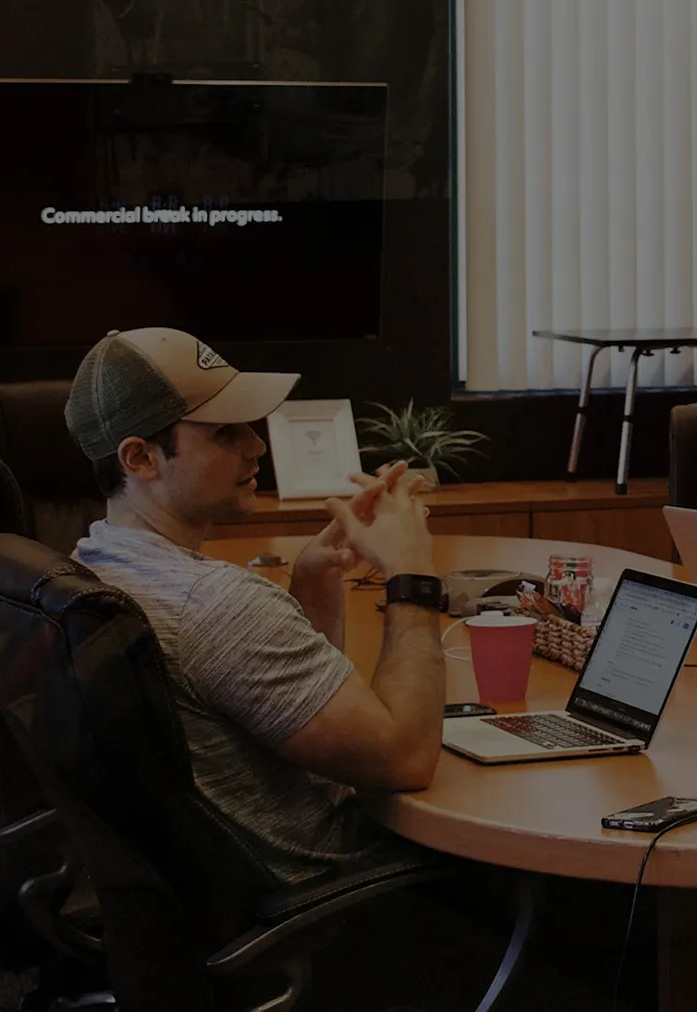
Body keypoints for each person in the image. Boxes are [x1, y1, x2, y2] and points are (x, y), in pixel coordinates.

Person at [64, 326, 449, 888]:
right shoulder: (214, 603)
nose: (257, 445)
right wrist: (412, 576)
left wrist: (314, 578)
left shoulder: (93, 559)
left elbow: (276, 703)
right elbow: (405, 760)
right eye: (225, 433)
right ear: (141, 457)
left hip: (211, 897)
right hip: (343, 891)